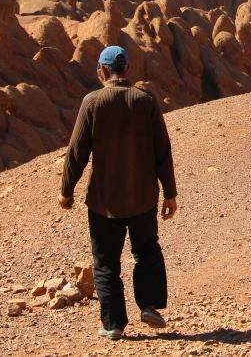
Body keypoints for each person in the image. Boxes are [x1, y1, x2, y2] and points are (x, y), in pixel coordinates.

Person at [59, 45, 178, 341]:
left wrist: (66, 190)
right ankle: (148, 306)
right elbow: (163, 151)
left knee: (105, 262)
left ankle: (113, 324)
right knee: (147, 249)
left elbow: (77, 153)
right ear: (127, 69)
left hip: (104, 200)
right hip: (143, 196)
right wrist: (170, 193)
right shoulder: (146, 101)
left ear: (102, 70)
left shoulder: (92, 102)